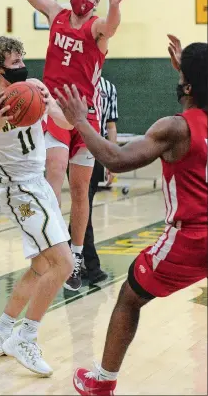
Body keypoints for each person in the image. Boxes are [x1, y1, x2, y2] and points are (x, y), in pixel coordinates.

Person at [54, 36, 208, 395]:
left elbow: (116, 159)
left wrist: (80, 120)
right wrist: (190, 75)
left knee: (129, 296)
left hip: (192, 236)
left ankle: (103, 383)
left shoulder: (174, 127)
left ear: (187, 85)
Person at [0, 0, 130, 291]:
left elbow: (112, 24)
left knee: (81, 191)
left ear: (95, 1)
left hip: (85, 116)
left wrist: (114, 4)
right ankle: (51, 247)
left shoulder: (97, 29)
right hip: (52, 109)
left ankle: (76, 258)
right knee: (52, 176)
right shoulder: (56, 14)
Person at [0, 36, 74, 377]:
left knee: (43, 266)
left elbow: (67, 125)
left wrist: (51, 102)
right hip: (18, 192)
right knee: (64, 263)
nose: (22, 66)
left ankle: (0, 331)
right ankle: (25, 337)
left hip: (38, 184)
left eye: (21, 60)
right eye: (14, 63)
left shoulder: (34, 86)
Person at [68, 76, 118, 287]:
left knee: (83, 207)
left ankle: (73, 262)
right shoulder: (73, 84)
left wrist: (112, 158)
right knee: (82, 204)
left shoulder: (109, 87)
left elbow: (111, 126)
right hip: (76, 150)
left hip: (96, 151)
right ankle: (89, 266)